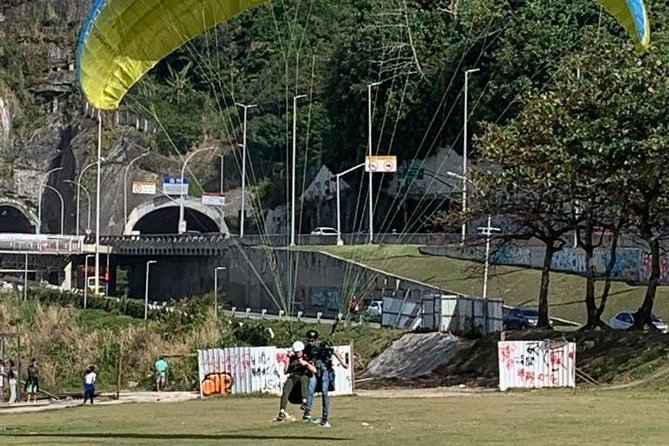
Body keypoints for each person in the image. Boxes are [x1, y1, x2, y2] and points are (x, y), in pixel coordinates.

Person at [303, 329, 348, 427]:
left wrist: (343, 363)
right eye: (308, 340)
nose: (310, 342)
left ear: (315, 340)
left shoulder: (322, 346)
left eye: (312, 340)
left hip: (325, 370)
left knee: (324, 392)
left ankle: (325, 418)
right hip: (315, 370)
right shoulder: (307, 348)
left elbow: (333, 352)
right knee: (310, 389)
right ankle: (307, 412)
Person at [276, 340, 316, 422]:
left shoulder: (307, 357)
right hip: (294, 377)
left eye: (299, 352)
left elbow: (314, 370)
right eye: (296, 352)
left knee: (304, 379)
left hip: (304, 377)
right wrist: (287, 359)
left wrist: (306, 364)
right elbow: (285, 371)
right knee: (287, 386)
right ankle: (282, 411)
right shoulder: (292, 358)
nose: (297, 353)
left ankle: (304, 403)